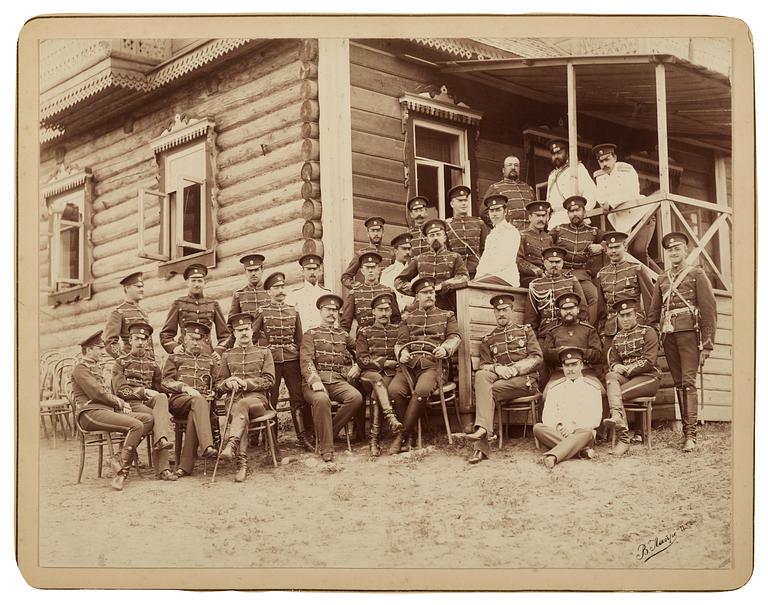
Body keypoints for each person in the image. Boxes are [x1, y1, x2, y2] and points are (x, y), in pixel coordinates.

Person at [647, 232, 717, 452]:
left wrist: (707, 344)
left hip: (690, 334)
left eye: (677, 249)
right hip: (669, 336)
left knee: (688, 381)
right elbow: (653, 313)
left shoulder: (696, 274)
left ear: (685, 250)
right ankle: (687, 432)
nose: (674, 253)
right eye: (670, 250)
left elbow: (709, 310)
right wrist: (654, 334)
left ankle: (690, 435)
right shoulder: (661, 278)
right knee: (678, 382)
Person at [387, 277, 461, 455]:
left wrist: (445, 348)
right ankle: (410, 433)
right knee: (394, 390)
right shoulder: (408, 318)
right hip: (409, 367)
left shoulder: (447, 315)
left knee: (421, 391)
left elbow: (455, 337)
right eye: (425, 293)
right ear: (417, 297)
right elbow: (400, 342)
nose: (430, 296)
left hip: (434, 366)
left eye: (432, 293)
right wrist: (401, 353)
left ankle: (403, 436)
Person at [72, 330, 154, 491]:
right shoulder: (80, 369)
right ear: (89, 350)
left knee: (148, 419)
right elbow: (96, 393)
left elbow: (105, 392)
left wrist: (118, 402)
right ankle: (122, 472)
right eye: (100, 348)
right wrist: (119, 401)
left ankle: (117, 457)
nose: (103, 352)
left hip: (105, 411)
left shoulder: (94, 367)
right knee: (136, 425)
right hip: (89, 414)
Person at [466, 294, 542, 464]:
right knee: (481, 377)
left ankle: (482, 437)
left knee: (486, 392)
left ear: (512, 310)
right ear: (493, 312)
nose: (501, 313)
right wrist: (496, 368)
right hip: (501, 383)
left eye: (505, 310)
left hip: (525, 381)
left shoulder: (525, 331)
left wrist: (515, 369)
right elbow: (484, 366)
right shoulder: (488, 339)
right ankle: (484, 432)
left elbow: (537, 357)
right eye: (498, 310)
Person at [252, 271, 313, 452]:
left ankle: (303, 437)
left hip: (291, 359)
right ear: (269, 292)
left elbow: (299, 339)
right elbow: (254, 337)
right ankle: (271, 441)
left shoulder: (293, 311)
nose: (280, 291)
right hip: (271, 361)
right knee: (272, 399)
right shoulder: (262, 312)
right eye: (275, 288)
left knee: (298, 398)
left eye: (281, 287)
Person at [299, 294, 364, 462]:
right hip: (314, 382)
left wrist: (358, 365)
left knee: (355, 397)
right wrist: (314, 381)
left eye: (335, 310)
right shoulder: (311, 334)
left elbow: (361, 351)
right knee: (321, 399)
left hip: (336, 380)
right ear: (320, 311)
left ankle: (325, 435)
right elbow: (306, 360)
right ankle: (327, 449)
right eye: (328, 309)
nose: (332, 313)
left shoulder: (343, 334)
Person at [112, 321, 176, 482]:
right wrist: (143, 391)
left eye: (144, 339)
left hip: (148, 404)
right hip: (129, 405)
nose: (140, 342)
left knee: (161, 399)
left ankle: (161, 440)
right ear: (130, 340)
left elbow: (160, 388)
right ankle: (163, 469)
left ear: (147, 341)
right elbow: (120, 390)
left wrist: (181, 388)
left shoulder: (152, 364)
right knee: (157, 418)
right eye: (137, 339)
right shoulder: (121, 362)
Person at [216, 312, 277, 482]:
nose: (243, 333)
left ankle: (235, 450)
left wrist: (245, 384)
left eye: (246, 329)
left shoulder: (264, 352)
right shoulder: (227, 355)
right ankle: (240, 458)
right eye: (239, 330)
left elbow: (269, 381)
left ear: (252, 331)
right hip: (233, 402)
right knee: (239, 408)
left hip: (258, 401)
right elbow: (218, 386)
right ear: (234, 333)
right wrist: (228, 382)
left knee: (242, 405)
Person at [604, 299, 661, 456]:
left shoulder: (647, 332)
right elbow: (614, 361)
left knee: (616, 395)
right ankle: (617, 416)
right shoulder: (617, 338)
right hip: (629, 379)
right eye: (622, 316)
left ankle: (623, 440)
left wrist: (627, 370)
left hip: (649, 377)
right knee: (610, 376)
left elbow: (649, 361)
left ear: (636, 315)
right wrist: (616, 367)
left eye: (629, 315)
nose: (625, 319)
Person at [160, 321, 218, 478]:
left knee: (197, 409)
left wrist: (214, 393)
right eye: (192, 338)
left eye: (199, 339)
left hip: (200, 405)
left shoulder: (210, 360)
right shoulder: (174, 358)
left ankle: (184, 467)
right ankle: (207, 445)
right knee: (198, 401)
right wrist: (184, 388)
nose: (196, 342)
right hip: (179, 401)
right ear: (184, 339)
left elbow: (217, 384)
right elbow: (165, 382)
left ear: (204, 341)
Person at [592, 143, 659, 271]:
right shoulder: (600, 176)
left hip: (641, 217)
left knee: (639, 252)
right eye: (601, 161)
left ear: (615, 158)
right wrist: (605, 203)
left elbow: (631, 193)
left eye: (607, 159)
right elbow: (600, 197)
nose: (604, 164)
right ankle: (660, 278)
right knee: (628, 255)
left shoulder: (626, 169)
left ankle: (653, 281)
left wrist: (611, 203)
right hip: (623, 223)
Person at [533, 347, 603, 469]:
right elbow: (548, 415)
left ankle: (554, 456)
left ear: (581, 365)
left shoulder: (593, 388)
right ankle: (582, 451)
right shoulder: (555, 388)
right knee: (538, 428)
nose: (570, 369)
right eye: (567, 366)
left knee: (587, 433)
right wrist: (559, 426)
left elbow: (595, 418)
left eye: (574, 365)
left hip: (581, 432)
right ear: (563, 367)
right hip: (559, 431)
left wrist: (573, 428)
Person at [355, 293, 405, 456]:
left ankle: (374, 440)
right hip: (368, 375)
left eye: (387, 309)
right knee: (377, 380)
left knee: (377, 394)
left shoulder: (398, 330)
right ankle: (391, 418)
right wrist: (384, 363)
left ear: (391, 311)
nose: (384, 313)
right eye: (380, 310)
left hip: (390, 375)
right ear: (373, 312)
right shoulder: (365, 331)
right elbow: (362, 359)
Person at [549, 195, 604, 325]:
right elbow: (544, 243)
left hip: (582, 276)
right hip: (561, 275)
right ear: (568, 213)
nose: (574, 214)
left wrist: (601, 246)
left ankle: (586, 326)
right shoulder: (559, 229)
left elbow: (617, 241)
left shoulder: (593, 232)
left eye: (577, 210)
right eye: (571, 211)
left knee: (595, 298)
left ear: (584, 212)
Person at [394, 218, 469, 313]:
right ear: (427, 240)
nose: (435, 238)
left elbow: (464, 277)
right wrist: (418, 290)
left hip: (447, 305)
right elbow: (399, 281)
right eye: (432, 235)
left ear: (445, 237)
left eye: (438, 234)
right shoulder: (419, 259)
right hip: (422, 306)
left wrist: (443, 286)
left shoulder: (455, 257)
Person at [595, 231, 652, 350]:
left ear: (625, 247)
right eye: (610, 248)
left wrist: (652, 326)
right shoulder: (602, 274)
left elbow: (650, 300)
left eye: (617, 247)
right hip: (611, 329)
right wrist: (602, 331)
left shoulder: (636, 269)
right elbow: (601, 308)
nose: (613, 251)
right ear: (606, 250)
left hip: (635, 325)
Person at [160, 263, 230, 361]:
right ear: (187, 283)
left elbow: (225, 335)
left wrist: (218, 351)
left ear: (204, 282)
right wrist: (175, 347)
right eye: (193, 281)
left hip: (207, 354)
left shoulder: (213, 304)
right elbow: (166, 334)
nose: (196, 284)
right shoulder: (179, 304)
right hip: (184, 353)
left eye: (200, 281)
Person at [540, 292, 604, 393]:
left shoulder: (589, 330)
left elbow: (598, 355)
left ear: (578, 309)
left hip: (585, 371)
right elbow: (547, 354)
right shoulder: (553, 331)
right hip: (561, 372)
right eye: (565, 309)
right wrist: (561, 352)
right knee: (547, 394)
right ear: (560, 311)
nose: (568, 311)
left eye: (571, 308)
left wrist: (578, 352)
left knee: (600, 391)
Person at [524, 246, 587, 338]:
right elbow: (531, 317)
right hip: (546, 332)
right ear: (544, 262)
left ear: (562, 263)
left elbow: (583, 310)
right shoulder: (535, 285)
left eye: (557, 262)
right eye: (551, 261)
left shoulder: (571, 281)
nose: (554, 265)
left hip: (569, 331)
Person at [340, 252, 401, 333]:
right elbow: (345, 325)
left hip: (385, 337)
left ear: (379, 270)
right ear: (362, 270)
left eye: (373, 267)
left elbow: (396, 320)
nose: (370, 271)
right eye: (367, 268)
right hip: (363, 338)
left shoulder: (388, 292)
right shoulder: (354, 293)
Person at [545, 137, 597, 228]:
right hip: (555, 221)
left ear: (567, 153)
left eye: (559, 153)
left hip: (573, 219)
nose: (556, 156)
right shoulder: (552, 176)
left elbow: (591, 193)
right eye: (553, 154)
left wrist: (581, 214)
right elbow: (548, 201)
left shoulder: (577, 168)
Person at [103, 271, 155, 359]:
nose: (142, 290)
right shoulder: (118, 312)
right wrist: (124, 358)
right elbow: (110, 342)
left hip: (147, 362)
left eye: (142, 287)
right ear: (127, 288)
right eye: (138, 287)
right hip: (131, 364)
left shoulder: (143, 312)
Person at [474, 194, 521, 287]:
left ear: (505, 211)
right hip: (490, 277)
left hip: (506, 277)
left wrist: (484, 275)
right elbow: (484, 259)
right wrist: (478, 275)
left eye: (498, 210)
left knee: (474, 284)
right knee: (471, 285)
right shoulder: (491, 235)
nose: (494, 214)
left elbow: (505, 261)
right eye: (492, 211)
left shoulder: (511, 232)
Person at [482, 154, 535, 231]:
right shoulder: (496, 187)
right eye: (509, 165)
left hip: (529, 235)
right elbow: (483, 212)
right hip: (509, 234)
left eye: (516, 165)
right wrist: (499, 226)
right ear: (503, 170)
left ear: (519, 169)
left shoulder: (528, 188)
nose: (513, 167)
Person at [445, 184, 488, 278]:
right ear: (452, 204)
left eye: (465, 200)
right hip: (455, 272)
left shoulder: (479, 223)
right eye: (460, 201)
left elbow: (485, 249)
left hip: (476, 271)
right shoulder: (447, 225)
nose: (464, 203)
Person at [340, 216, 394, 290]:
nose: (376, 234)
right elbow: (345, 277)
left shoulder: (390, 254)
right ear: (368, 233)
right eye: (373, 230)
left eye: (378, 230)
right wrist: (356, 285)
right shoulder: (361, 254)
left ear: (383, 233)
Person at [285, 254, 333, 331]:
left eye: (315, 269)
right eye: (309, 269)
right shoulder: (294, 295)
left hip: (323, 338)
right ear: (303, 271)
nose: (312, 272)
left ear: (319, 271)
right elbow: (288, 320)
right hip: (303, 338)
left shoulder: (327, 294)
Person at [517, 200, 554, 287]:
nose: (541, 219)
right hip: (528, 278)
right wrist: (538, 271)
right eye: (537, 215)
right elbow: (518, 261)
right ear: (530, 217)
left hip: (547, 277)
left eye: (543, 215)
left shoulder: (548, 238)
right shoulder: (522, 236)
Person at [227, 253, 271, 325]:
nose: (253, 273)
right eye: (250, 271)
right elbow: (232, 321)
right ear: (245, 272)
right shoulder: (239, 295)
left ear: (262, 269)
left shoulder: (270, 291)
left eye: (256, 270)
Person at [379, 232, 415, 312]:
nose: (407, 252)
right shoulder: (387, 274)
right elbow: (387, 296)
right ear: (395, 251)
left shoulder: (416, 270)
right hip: (397, 313)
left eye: (409, 249)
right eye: (404, 249)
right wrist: (405, 307)